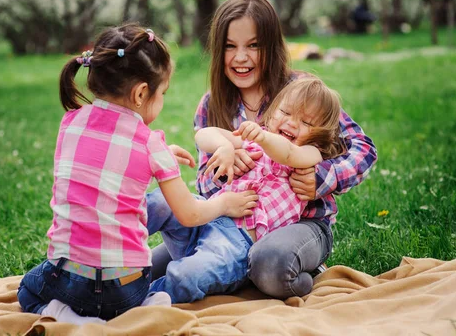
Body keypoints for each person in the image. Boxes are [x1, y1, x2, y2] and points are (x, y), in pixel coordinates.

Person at [17, 24, 258, 324]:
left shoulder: (70, 123)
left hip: (68, 279)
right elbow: (189, 215)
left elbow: (102, 162)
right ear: (141, 93)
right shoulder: (149, 144)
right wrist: (225, 203)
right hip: (126, 288)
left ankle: (67, 316)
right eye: (163, 93)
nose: (163, 99)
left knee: (28, 290)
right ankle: (141, 304)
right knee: (118, 289)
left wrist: (160, 156)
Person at [149, 0, 377, 299]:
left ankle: (288, 269)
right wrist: (226, 162)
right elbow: (204, 182)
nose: (240, 57)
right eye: (230, 46)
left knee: (270, 264)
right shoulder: (213, 104)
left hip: (299, 224)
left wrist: (322, 177)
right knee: (150, 266)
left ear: (271, 46)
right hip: (224, 224)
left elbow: (362, 148)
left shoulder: (301, 92)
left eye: (253, 46)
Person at [149, 77, 348, 303]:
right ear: (272, 113)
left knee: (187, 274)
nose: (292, 123)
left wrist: (264, 137)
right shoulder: (253, 141)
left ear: (320, 138)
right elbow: (203, 135)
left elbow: (287, 153)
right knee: (160, 202)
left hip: (235, 245)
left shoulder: (309, 155)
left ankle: (146, 300)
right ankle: (110, 236)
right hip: (207, 215)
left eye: (306, 122)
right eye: (285, 112)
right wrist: (225, 146)